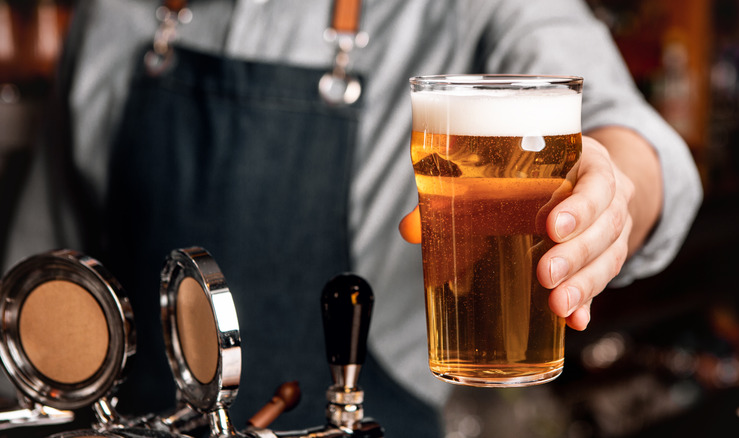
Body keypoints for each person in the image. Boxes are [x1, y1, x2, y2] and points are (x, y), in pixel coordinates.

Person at [3, 0, 702, 436]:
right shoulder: (110, 17)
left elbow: (630, 134)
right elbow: (34, 313)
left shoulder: (464, 9)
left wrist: (612, 191)